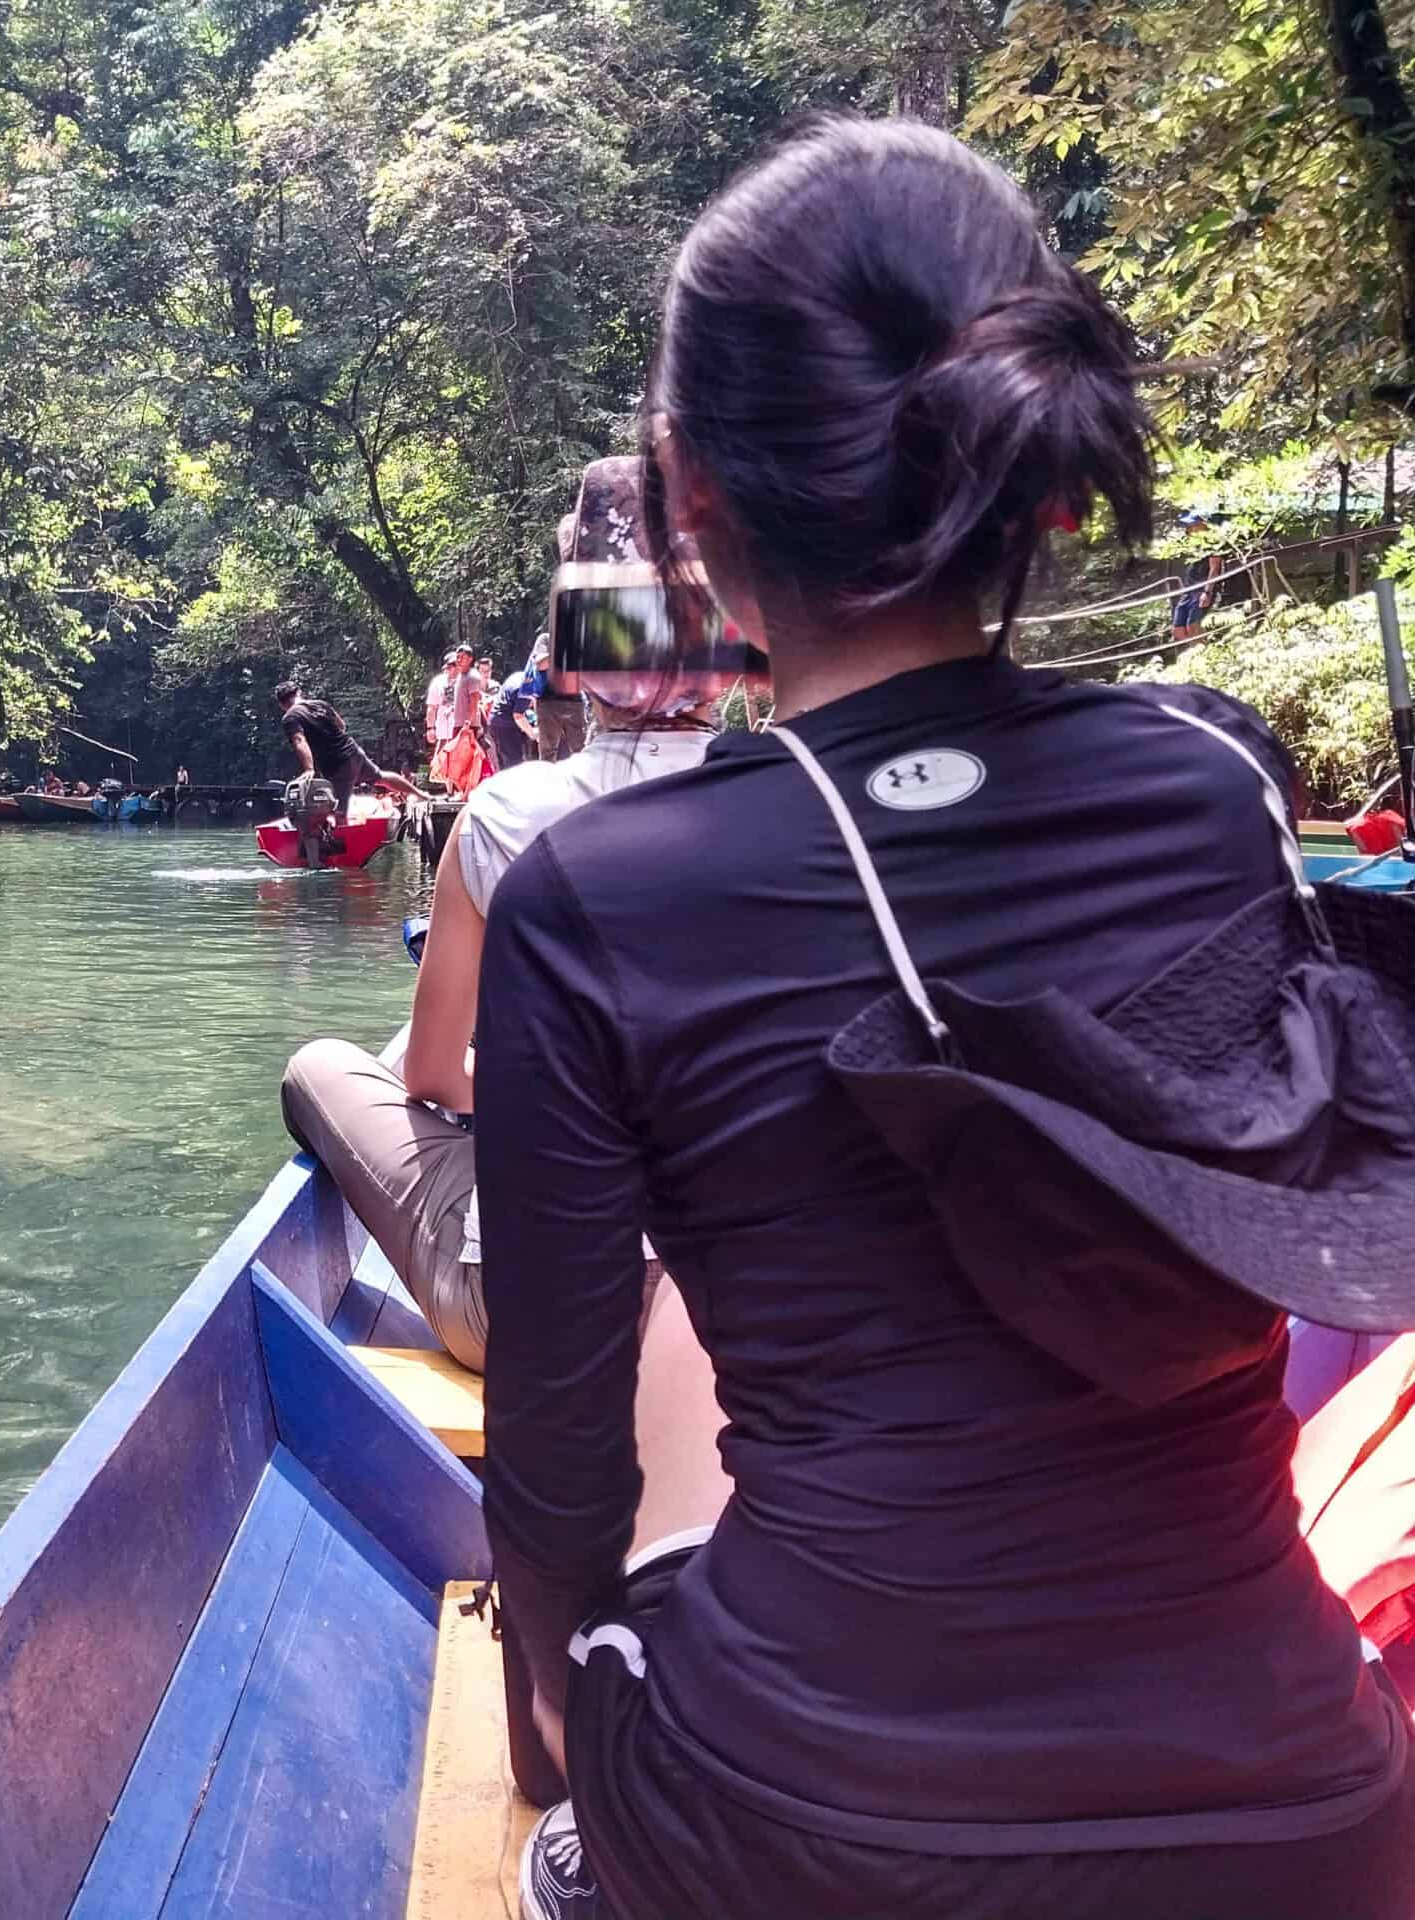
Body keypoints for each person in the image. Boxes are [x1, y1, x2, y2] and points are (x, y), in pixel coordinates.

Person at [487, 120, 1415, 1920]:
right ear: (1038, 470)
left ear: (690, 493)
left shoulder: (601, 900)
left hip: (821, 1834)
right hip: (1311, 1816)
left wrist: (558, 1714)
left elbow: (559, 1462)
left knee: (611, 1672)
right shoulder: (1220, 781)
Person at [280, 481, 711, 1369]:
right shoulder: (810, 806)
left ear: (576, 660)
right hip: (730, 1315)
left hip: (531, 1312)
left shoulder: (505, 813)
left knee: (317, 1069)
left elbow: (432, 1076)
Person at [274, 681, 423, 812]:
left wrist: (309, 769)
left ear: (281, 704)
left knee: (337, 810)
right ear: (299, 692)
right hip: (353, 750)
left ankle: (340, 841)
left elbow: (299, 740)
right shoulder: (320, 704)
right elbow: (341, 725)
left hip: (338, 764)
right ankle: (423, 795)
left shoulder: (290, 717)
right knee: (380, 777)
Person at [1171, 510, 1226, 643]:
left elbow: (1215, 568)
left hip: (1202, 589)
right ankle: (1195, 650)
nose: (1188, 529)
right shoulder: (1194, 545)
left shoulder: (1213, 543)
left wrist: (1207, 592)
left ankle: (1203, 653)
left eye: (1192, 525)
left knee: (1193, 625)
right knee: (1178, 629)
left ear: (1202, 525)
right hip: (1189, 589)